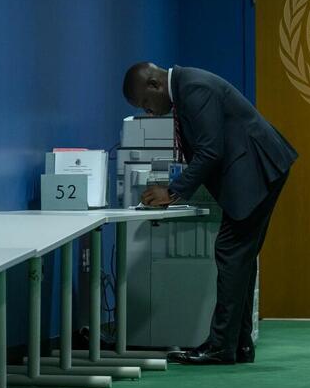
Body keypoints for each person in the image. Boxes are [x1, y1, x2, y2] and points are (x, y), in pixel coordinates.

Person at [121, 62, 297, 365]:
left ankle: (220, 346)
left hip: (256, 169)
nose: (149, 112)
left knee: (231, 252)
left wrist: (172, 192)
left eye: (146, 105)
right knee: (240, 257)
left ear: (155, 85)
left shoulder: (193, 88)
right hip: (258, 167)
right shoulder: (188, 87)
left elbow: (210, 150)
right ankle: (238, 344)